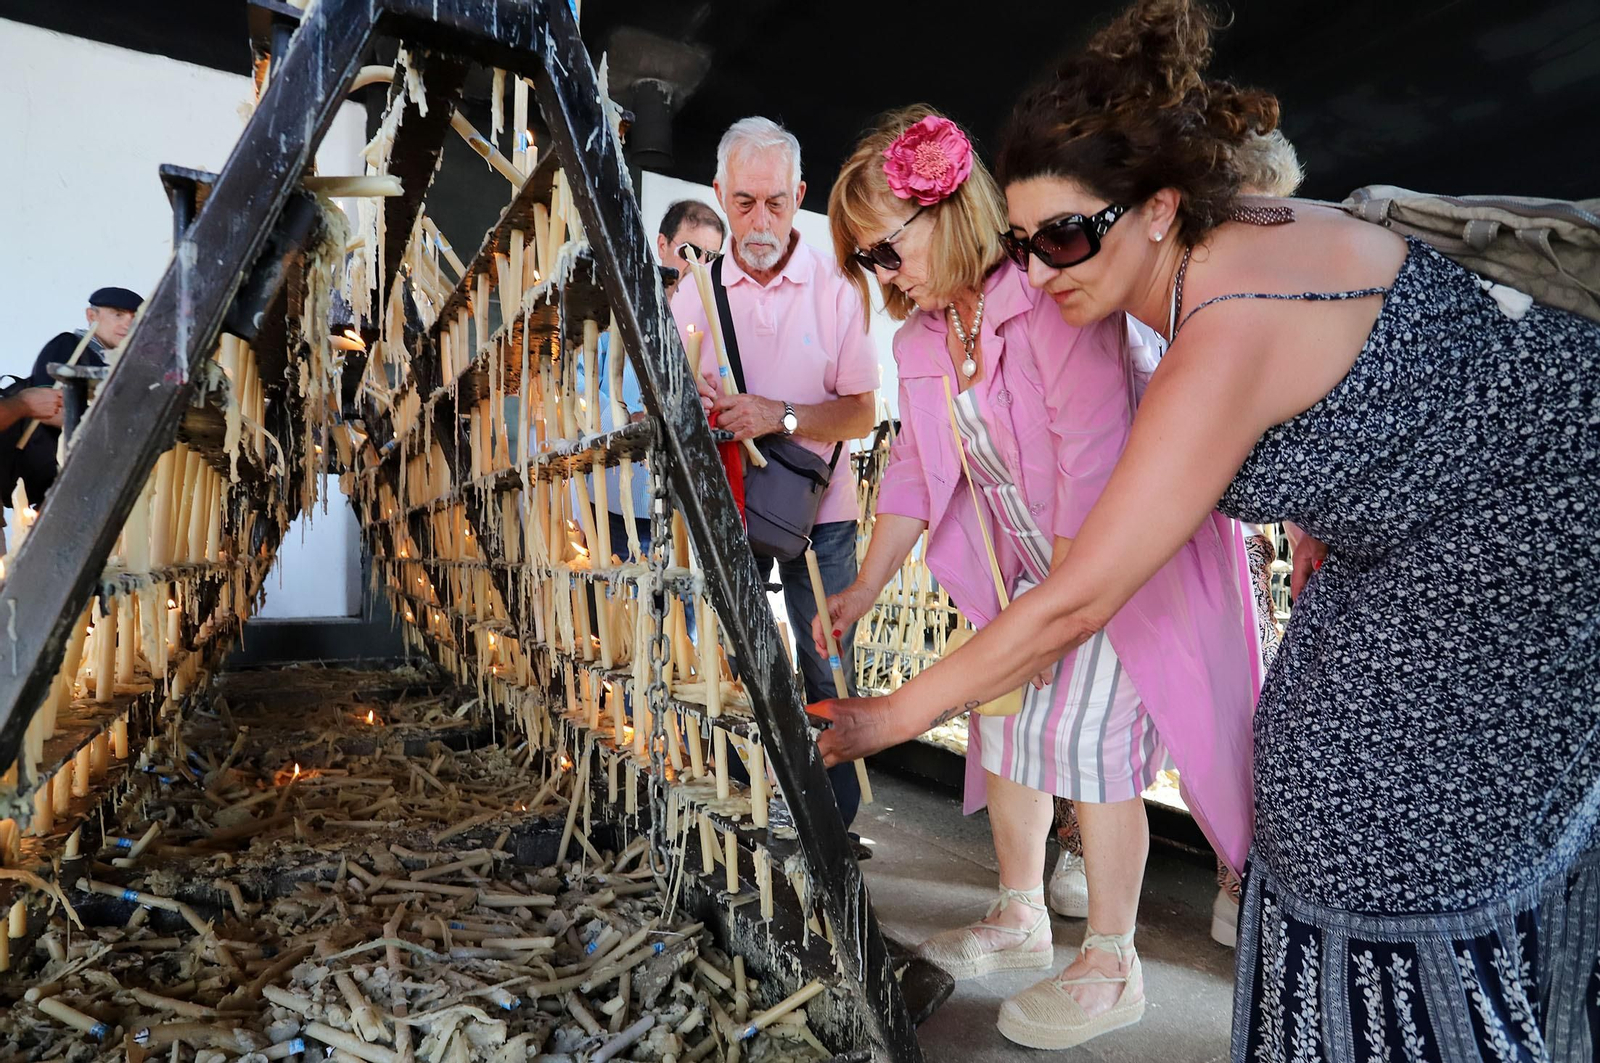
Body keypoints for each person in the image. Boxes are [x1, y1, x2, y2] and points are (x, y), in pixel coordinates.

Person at [816, 2, 1600, 1060]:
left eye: (1062, 237)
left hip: (1527, 529)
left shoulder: (1213, 322)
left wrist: (884, 717)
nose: (1039, 273)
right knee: (1294, 781)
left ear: (1155, 207)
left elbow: (1086, 589)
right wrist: (1337, 493)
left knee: (1368, 836)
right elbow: (1366, 371)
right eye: (1022, 244)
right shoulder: (1216, 251)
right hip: (1414, 527)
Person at [821, 105, 1257, 1050]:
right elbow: (912, 473)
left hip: (1119, 554)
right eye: (866, 262)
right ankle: (1021, 912)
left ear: (948, 211)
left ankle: (1113, 959)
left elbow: (1093, 467)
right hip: (1030, 564)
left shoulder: (1050, 300)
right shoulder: (925, 341)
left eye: (886, 251)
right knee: (1002, 719)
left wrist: (1046, 623)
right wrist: (862, 584)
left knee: (1088, 734)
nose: (882, 276)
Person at [670, 116, 880, 828]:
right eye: (744, 202)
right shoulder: (690, 296)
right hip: (728, 506)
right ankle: (743, 801)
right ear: (719, 193)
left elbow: (858, 413)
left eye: (777, 203)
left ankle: (832, 816)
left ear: (800, 195)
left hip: (820, 510)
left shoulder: (840, 290)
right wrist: (693, 409)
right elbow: (668, 414)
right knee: (736, 657)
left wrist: (779, 415)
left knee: (825, 662)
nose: (760, 221)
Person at [583, 201, 727, 557]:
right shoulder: (614, 308)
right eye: (690, 251)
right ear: (662, 245)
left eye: (711, 258)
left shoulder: (718, 325)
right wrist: (626, 423)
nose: (698, 267)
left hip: (683, 512)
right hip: (611, 505)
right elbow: (578, 386)